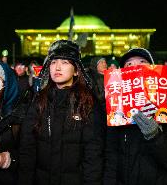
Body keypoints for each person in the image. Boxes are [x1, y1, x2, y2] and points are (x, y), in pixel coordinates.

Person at [19, 40, 104, 185]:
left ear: (76, 70)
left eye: (65, 62)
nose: (57, 67)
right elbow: (27, 148)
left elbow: (93, 155)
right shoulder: (39, 101)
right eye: (53, 62)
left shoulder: (88, 103)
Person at [104, 48, 167, 185]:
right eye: (129, 65)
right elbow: (110, 159)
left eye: (142, 62)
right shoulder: (116, 113)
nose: (136, 67)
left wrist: (155, 136)